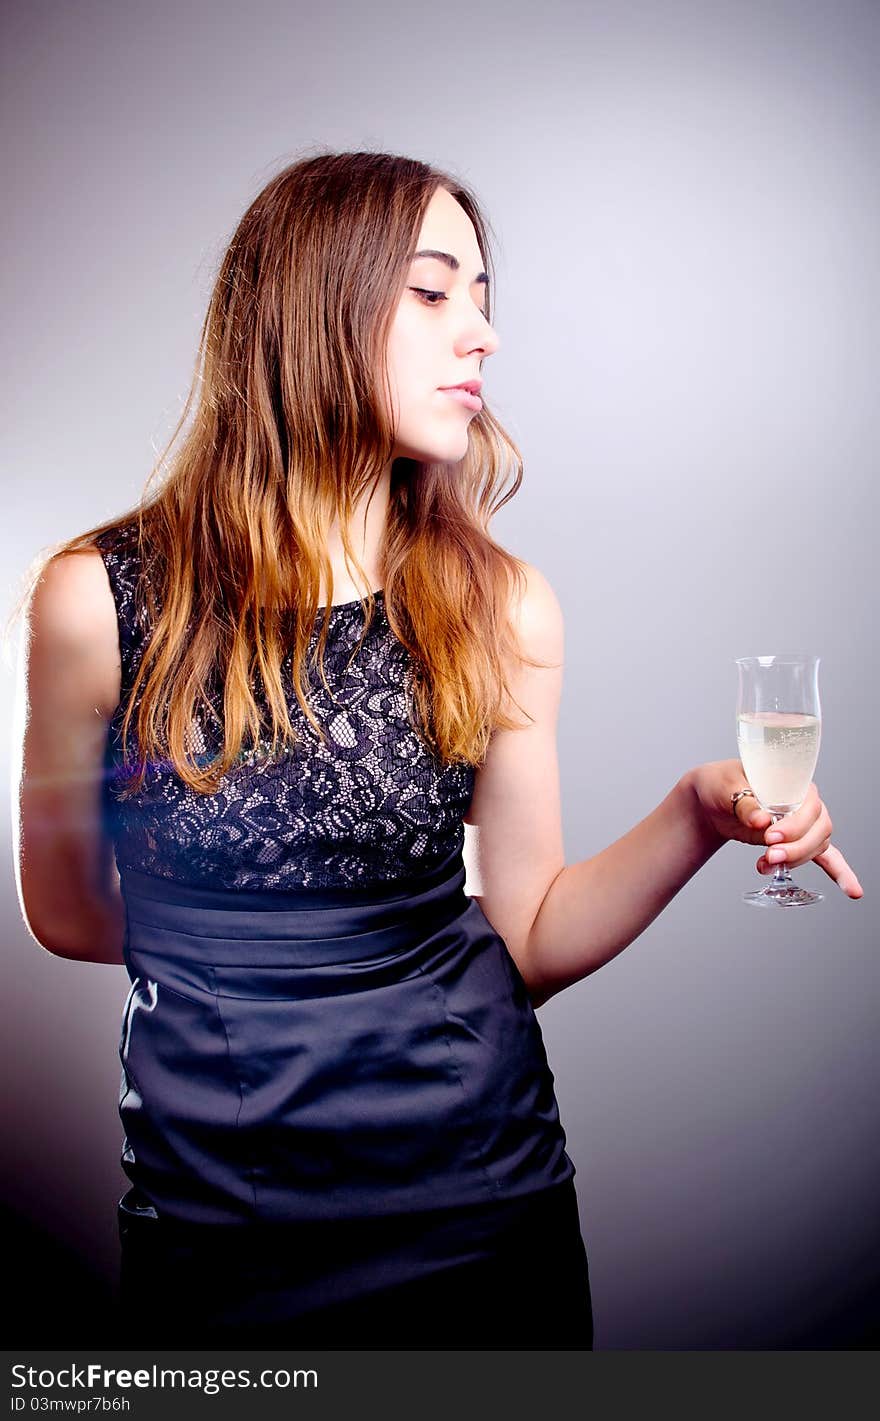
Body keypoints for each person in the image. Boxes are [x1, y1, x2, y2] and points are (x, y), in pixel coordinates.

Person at [10, 151, 863, 1351]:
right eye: (433, 291)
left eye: (482, 294)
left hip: (480, 1207)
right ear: (314, 306)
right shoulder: (95, 601)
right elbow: (66, 907)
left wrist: (694, 812)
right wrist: (256, 982)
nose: (483, 332)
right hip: (218, 1226)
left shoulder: (502, 606)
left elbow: (528, 935)